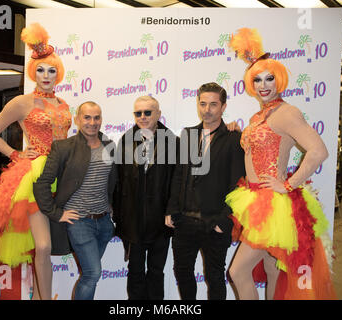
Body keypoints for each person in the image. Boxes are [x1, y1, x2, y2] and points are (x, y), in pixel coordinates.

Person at [226, 28, 336, 300]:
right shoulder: (256, 117)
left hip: (271, 202)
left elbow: (319, 151)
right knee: (271, 268)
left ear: (279, 81)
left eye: (269, 79)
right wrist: (238, 131)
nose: (263, 85)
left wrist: (287, 185)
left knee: (238, 272)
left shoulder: (287, 112)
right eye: (258, 80)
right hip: (252, 198)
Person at [0, 23, 72, 300]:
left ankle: (37, 296)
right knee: (43, 247)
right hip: (34, 175)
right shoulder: (22, 102)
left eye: (52, 70)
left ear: (59, 74)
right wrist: (15, 153)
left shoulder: (64, 104)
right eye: (41, 70)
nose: (46, 75)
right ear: (34, 72)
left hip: (64, 173)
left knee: (53, 246)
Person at [165, 82, 246, 300]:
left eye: (213, 104)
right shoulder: (188, 134)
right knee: (182, 273)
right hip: (184, 222)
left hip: (214, 223)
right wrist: (171, 209)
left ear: (223, 106)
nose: (206, 109)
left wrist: (225, 221)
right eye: (202, 103)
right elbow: (179, 176)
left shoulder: (233, 139)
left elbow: (238, 184)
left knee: (214, 277)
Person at [34, 101, 116, 300]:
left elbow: (114, 181)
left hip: (104, 223)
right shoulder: (63, 147)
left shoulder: (110, 146)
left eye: (97, 117)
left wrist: (113, 207)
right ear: (78, 119)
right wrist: (56, 213)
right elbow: (42, 183)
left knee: (91, 274)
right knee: (93, 273)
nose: (92, 122)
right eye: (87, 117)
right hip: (79, 222)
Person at [113, 96, 178, 300]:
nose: (142, 117)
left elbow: (177, 182)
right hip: (133, 221)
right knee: (135, 272)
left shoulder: (174, 142)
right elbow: (119, 181)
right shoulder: (125, 140)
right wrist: (118, 214)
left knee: (156, 272)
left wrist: (172, 211)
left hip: (162, 221)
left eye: (147, 112)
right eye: (138, 113)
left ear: (158, 114)